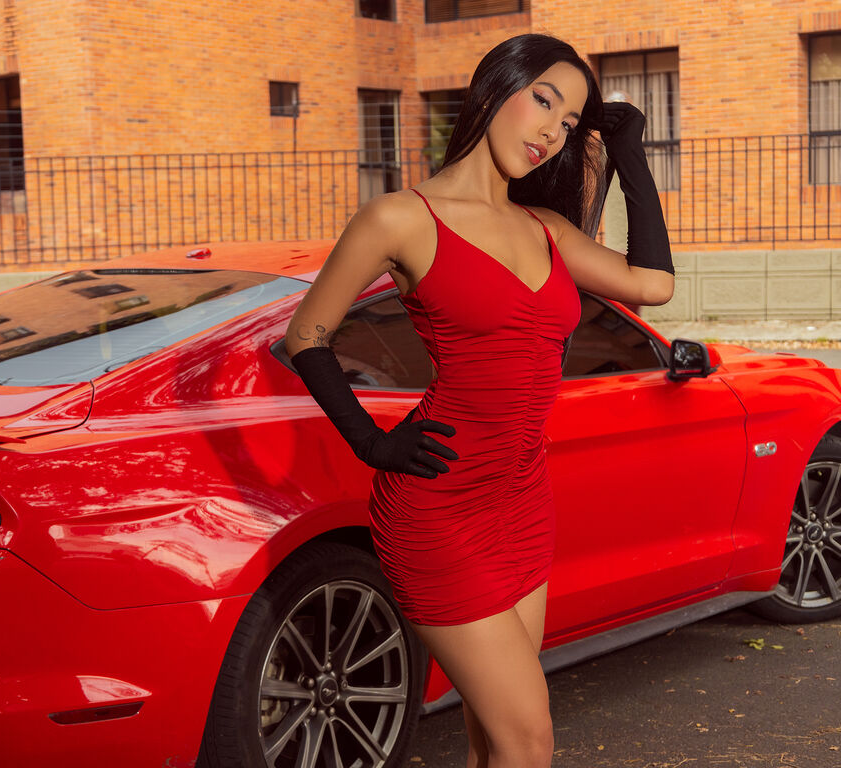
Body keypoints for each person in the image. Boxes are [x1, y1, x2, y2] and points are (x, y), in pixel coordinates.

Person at [284, 33, 674, 768]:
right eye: (544, 102)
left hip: (523, 500)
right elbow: (305, 335)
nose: (552, 132)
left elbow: (654, 285)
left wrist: (629, 154)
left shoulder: (546, 229)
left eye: (569, 122)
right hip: (439, 509)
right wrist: (372, 442)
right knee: (529, 739)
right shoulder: (401, 218)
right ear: (496, 87)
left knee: (493, 739)